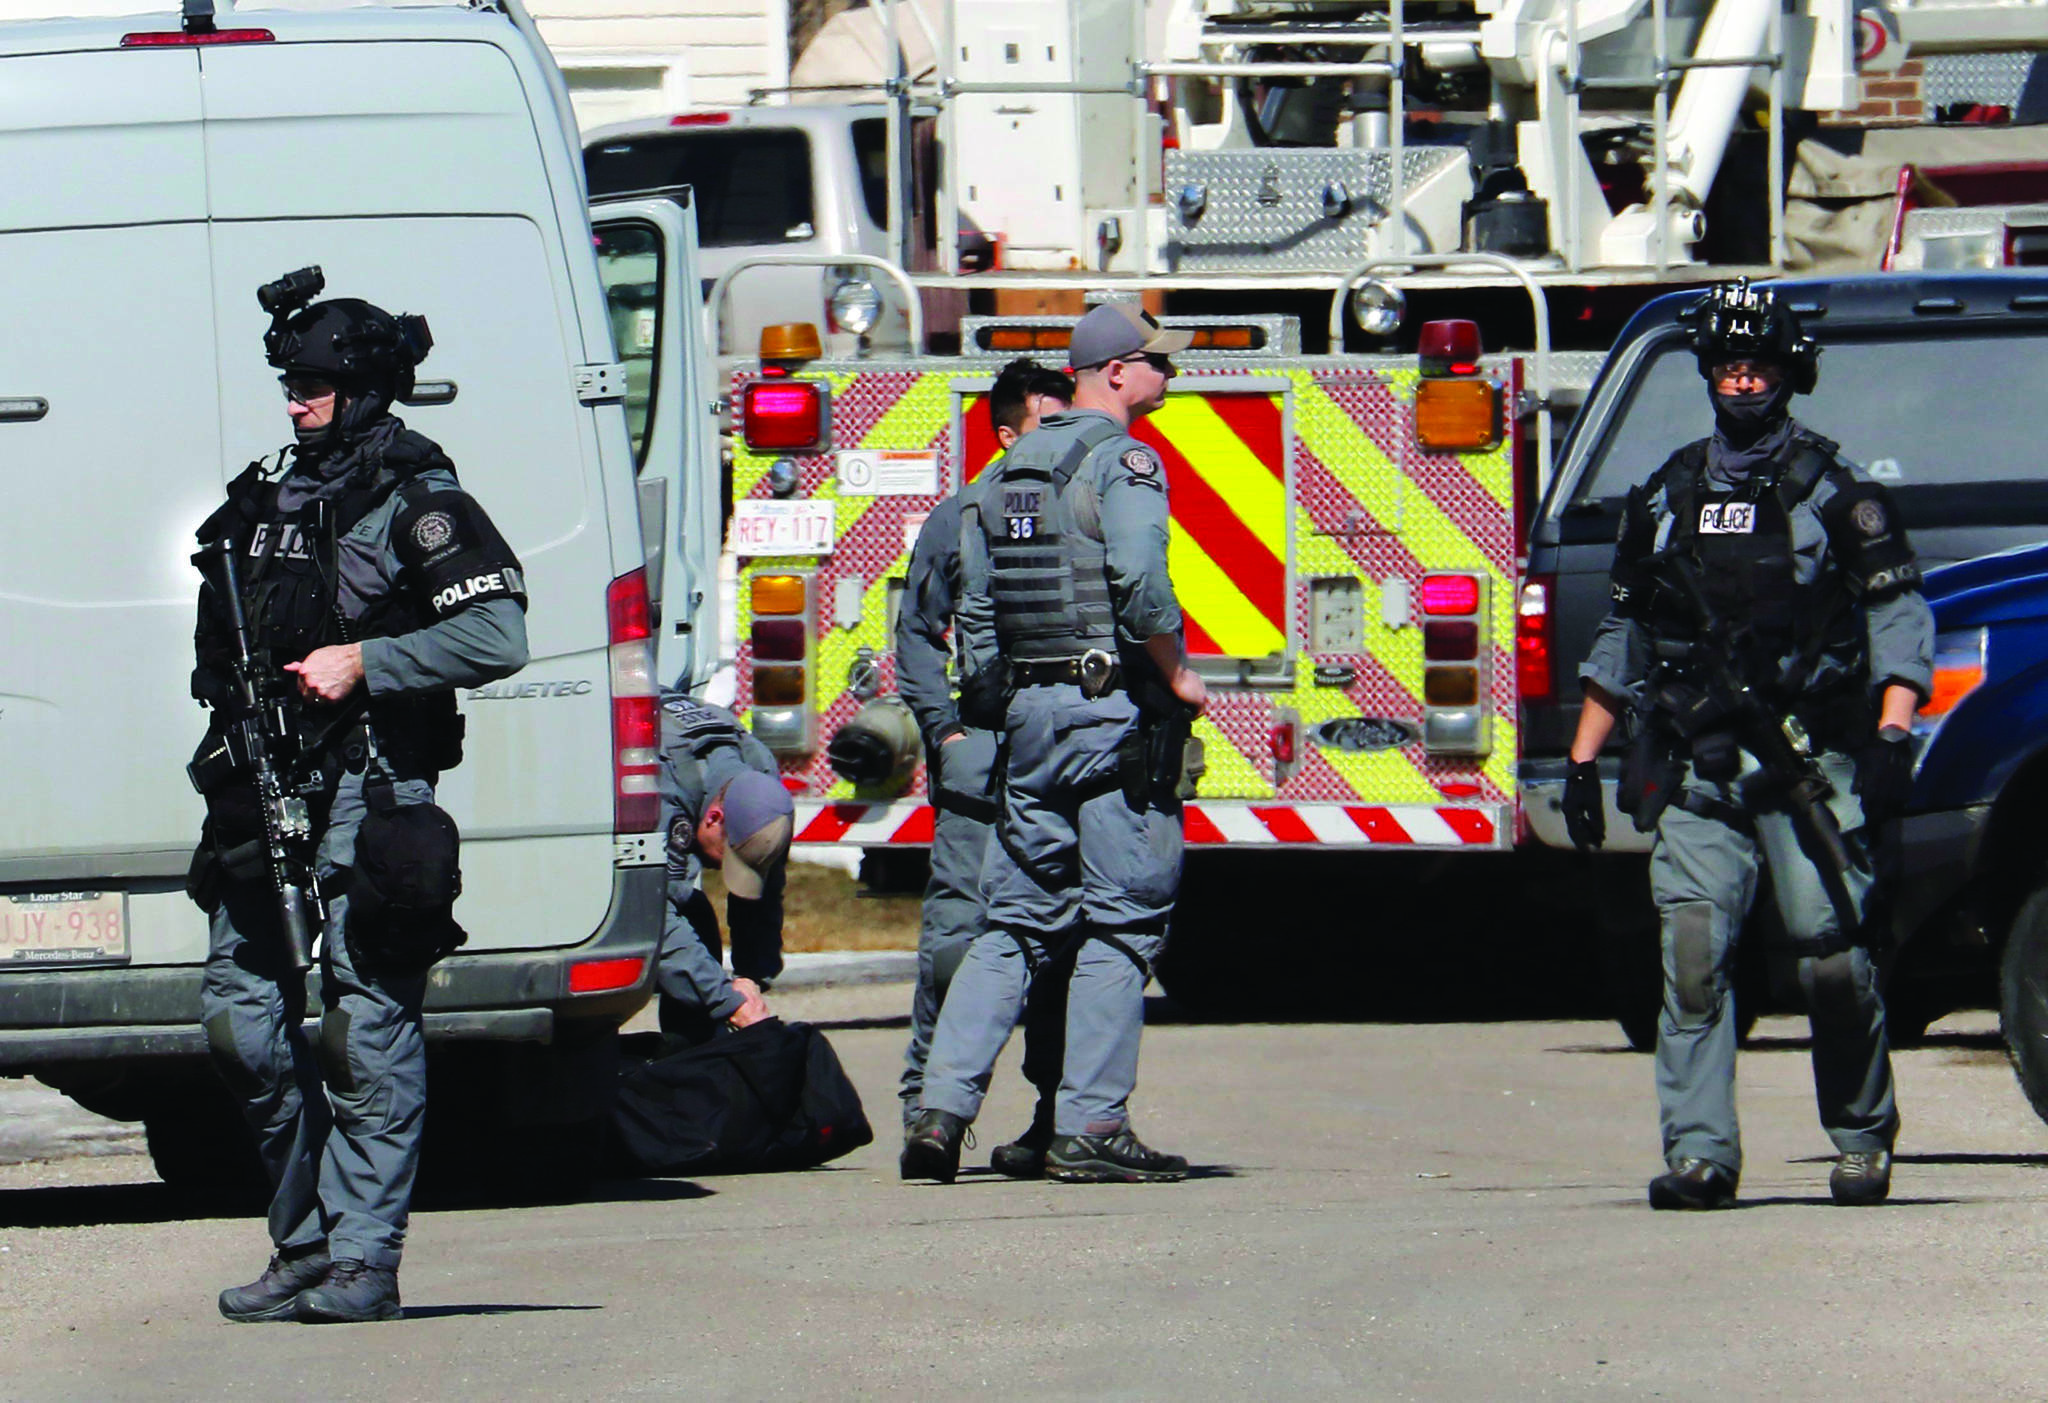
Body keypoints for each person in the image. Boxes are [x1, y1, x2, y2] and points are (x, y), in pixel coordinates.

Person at [191, 272, 529, 1323]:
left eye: (313, 385)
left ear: (368, 389)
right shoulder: (272, 496)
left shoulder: (419, 501)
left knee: (359, 1031)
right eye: (289, 383)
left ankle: (364, 1258)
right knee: (242, 1025)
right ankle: (303, 1241)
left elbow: (497, 634)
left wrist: (368, 660)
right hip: (263, 788)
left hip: (368, 789)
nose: (294, 401)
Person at [1561, 279, 1932, 1211]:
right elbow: (1624, 635)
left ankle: (1860, 1137)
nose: (1742, 381)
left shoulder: (1837, 496)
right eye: (1727, 365)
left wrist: (1893, 732)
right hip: (1698, 763)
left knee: (1834, 956)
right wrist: (1580, 758)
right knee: (1692, 956)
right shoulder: (1666, 497)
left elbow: (1897, 617)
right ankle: (1700, 1155)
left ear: (1787, 374)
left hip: (1809, 756)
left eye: (1757, 364)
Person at [903, 303, 1207, 1185]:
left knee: (1015, 920)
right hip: (1107, 715)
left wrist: (1007, 704)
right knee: (1124, 919)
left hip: (1028, 724)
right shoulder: (1126, 462)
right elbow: (1141, 579)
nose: (1169, 375)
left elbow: (982, 615)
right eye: (1160, 362)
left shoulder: (1004, 476)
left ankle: (939, 1110)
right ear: (1116, 372)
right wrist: (1177, 673)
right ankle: (1091, 1124)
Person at [894, 358, 1074, 1173]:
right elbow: (915, 634)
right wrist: (946, 732)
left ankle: (1052, 1118)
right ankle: (927, 1117)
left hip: (1062, 762)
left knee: (1064, 945)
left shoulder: (1084, 509)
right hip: (984, 761)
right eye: (1046, 421)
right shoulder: (960, 516)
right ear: (1005, 434)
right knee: (956, 943)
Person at [654, 690, 797, 1043]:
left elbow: (764, 890)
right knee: (691, 917)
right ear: (714, 817)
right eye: (729, 857)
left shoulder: (759, 773)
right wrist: (725, 1000)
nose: (727, 873)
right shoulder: (662, 784)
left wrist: (752, 977)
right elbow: (653, 914)